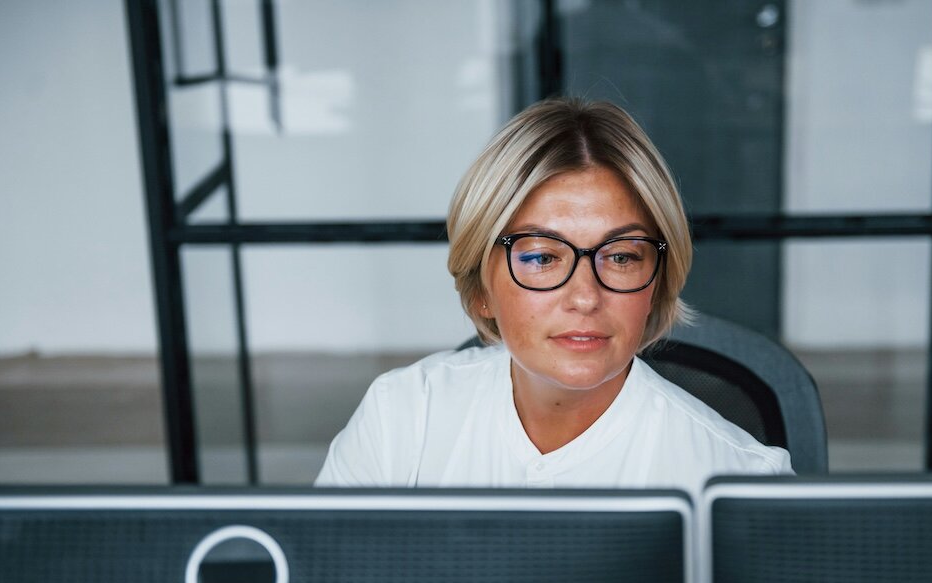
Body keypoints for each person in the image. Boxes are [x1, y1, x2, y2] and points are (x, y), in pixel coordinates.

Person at [315, 98, 792, 495]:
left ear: (656, 285)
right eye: (542, 258)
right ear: (482, 289)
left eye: (621, 257)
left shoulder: (740, 480)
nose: (585, 297)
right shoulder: (402, 417)